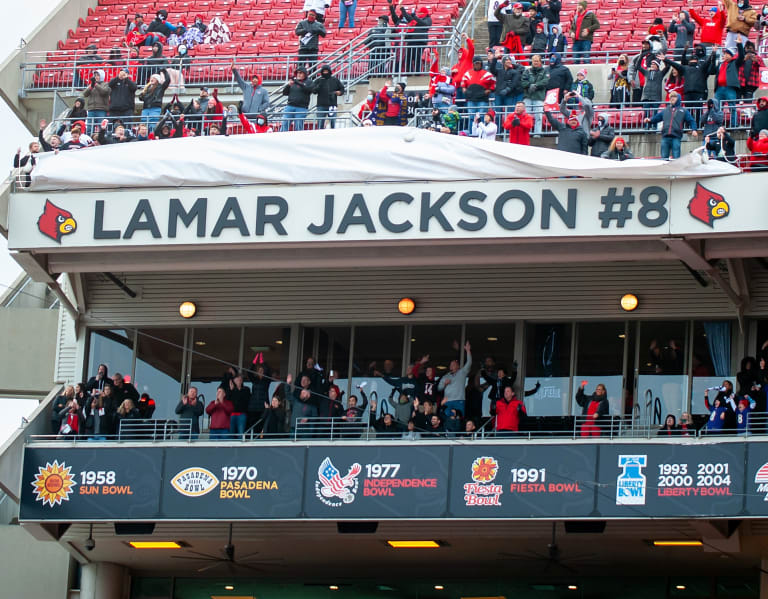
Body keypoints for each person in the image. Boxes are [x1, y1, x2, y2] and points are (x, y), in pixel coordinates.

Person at [645, 90, 698, 159]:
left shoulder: (683, 110)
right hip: (665, 136)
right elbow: (657, 118)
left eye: (674, 97)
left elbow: (691, 120)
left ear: (678, 98)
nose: (672, 99)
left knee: (676, 159)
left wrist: (694, 129)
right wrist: (650, 120)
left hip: (676, 137)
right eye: (671, 97)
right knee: (664, 158)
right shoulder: (666, 110)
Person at [437, 341, 472, 416]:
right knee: (446, 417)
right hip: (448, 401)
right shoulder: (445, 376)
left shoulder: (462, 373)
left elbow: (469, 363)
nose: (452, 365)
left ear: (458, 366)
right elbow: (439, 388)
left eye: (454, 364)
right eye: (451, 364)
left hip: (459, 400)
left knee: (459, 417)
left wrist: (468, 351)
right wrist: (445, 384)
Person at [461, 56, 496, 122]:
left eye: (478, 63)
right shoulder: (467, 74)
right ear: (473, 64)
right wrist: (465, 92)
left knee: (482, 118)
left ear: (481, 64)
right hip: (471, 100)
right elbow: (463, 85)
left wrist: (489, 91)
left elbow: (494, 84)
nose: (477, 64)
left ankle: (481, 132)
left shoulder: (487, 74)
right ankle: (472, 132)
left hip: (482, 100)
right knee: (471, 118)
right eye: (475, 63)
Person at [521, 54, 549, 135]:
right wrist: (529, 85)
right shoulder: (527, 71)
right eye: (534, 61)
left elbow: (545, 81)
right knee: (526, 116)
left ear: (540, 62)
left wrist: (536, 85)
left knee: (539, 116)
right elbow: (523, 82)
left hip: (539, 97)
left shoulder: (545, 71)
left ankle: (537, 133)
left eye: (537, 61)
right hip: (528, 97)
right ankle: (527, 133)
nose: (535, 62)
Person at [281, 67, 315, 132]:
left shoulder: (309, 82)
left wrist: (297, 82)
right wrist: (288, 85)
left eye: (300, 73)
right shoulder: (293, 82)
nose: (298, 74)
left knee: (298, 126)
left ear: (305, 74)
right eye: (297, 73)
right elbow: (284, 93)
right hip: (290, 106)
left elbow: (309, 90)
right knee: (284, 124)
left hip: (301, 108)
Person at [314, 64, 345, 129]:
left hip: (332, 105)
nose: (325, 73)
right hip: (321, 105)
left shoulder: (335, 80)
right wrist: (319, 85)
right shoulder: (318, 80)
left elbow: (342, 89)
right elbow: (314, 91)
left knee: (333, 123)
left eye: (326, 71)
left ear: (329, 71)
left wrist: (338, 92)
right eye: (324, 71)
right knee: (320, 124)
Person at [83, 69, 110, 135]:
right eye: (95, 75)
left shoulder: (106, 84)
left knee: (101, 127)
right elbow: (85, 94)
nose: (96, 77)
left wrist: (95, 85)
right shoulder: (92, 85)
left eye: (98, 75)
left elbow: (104, 92)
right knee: (89, 128)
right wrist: (91, 86)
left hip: (101, 109)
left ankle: (101, 140)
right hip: (91, 109)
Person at [226, 372, 251, 437]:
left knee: (241, 433)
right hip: (232, 414)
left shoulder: (246, 389)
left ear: (242, 380)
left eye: (240, 379)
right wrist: (231, 390)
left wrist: (238, 389)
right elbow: (227, 400)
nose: (238, 381)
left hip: (242, 414)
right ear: (234, 380)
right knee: (231, 433)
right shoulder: (230, 390)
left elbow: (246, 400)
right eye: (237, 379)